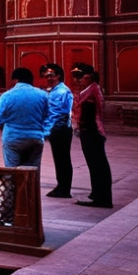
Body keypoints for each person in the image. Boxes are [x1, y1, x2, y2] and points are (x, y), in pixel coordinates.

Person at [0, 67, 51, 168]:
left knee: (12, 171)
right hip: (35, 137)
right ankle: (32, 184)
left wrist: (4, 124)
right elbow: (47, 116)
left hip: (13, 137)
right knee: (32, 170)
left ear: (16, 80)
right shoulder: (43, 95)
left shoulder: (7, 95)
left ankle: (13, 184)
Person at [72, 64, 111, 208]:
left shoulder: (92, 89)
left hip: (92, 131)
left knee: (98, 164)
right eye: (75, 77)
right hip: (87, 131)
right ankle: (97, 193)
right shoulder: (86, 89)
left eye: (80, 76)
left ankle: (103, 198)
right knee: (94, 164)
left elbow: (89, 112)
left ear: (89, 76)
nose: (77, 80)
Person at [42, 63, 74, 198]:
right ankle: (62, 186)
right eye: (47, 75)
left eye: (51, 75)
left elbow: (60, 113)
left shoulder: (62, 91)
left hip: (60, 129)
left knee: (62, 159)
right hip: (56, 129)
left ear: (58, 76)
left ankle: (64, 188)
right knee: (60, 159)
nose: (49, 78)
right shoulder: (53, 90)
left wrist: (48, 129)